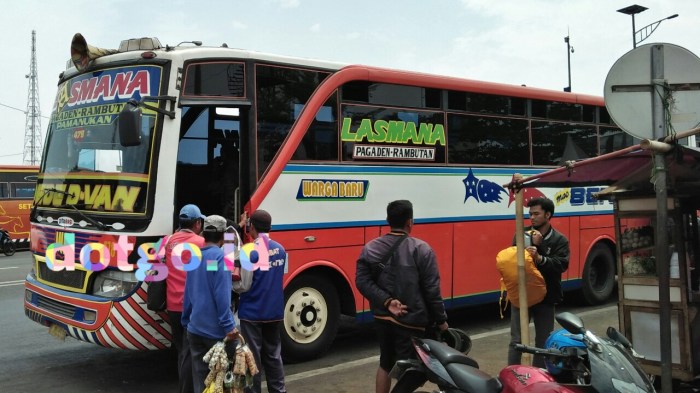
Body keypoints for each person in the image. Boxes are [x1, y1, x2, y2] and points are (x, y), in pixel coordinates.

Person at [355, 199, 449, 393]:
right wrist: (441, 321)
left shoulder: (370, 248)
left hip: (382, 317)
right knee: (418, 369)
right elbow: (432, 291)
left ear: (388, 220)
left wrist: (386, 302)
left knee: (385, 363)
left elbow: (362, 282)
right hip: (411, 321)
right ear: (410, 222)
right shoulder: (422, 249)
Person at [508, 197, 570, 368]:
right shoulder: (521, 235)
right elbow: (512, 261)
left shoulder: (559, 240)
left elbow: (561, 264)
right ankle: (510, 375)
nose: (532, 217)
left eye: (536, 213)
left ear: (548, 215)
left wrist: (540, 254)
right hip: (522, 294)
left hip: (546, 297)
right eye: (530, 214)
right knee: (517, 340)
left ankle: (539, 379)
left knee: (543, 342)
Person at [182, 215, 239, 393]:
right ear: (223, 236)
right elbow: (221, 295)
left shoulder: (196, 257)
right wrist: (229, 326)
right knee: (222, 382)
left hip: (195, 329)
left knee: (203, 382)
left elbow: (188, 292)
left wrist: (186, 320)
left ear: (204, 232)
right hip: (215, 333)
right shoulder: (220, 259)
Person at [237, 209, 288, 393]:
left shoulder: (249, 251)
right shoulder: (281, 249)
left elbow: (244, 285)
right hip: (274, 311)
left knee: (252, 359)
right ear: (270, 227)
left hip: (252, 313)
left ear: (251, 227)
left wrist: (232, 285)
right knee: (274, 356)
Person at [164, 204, 205, 393]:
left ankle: (184, 386)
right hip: (191, 306)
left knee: (182, 351)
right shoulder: (200, 242)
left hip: (172, 305)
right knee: (192, 353)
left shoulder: (168, 241)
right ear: (197, 223)